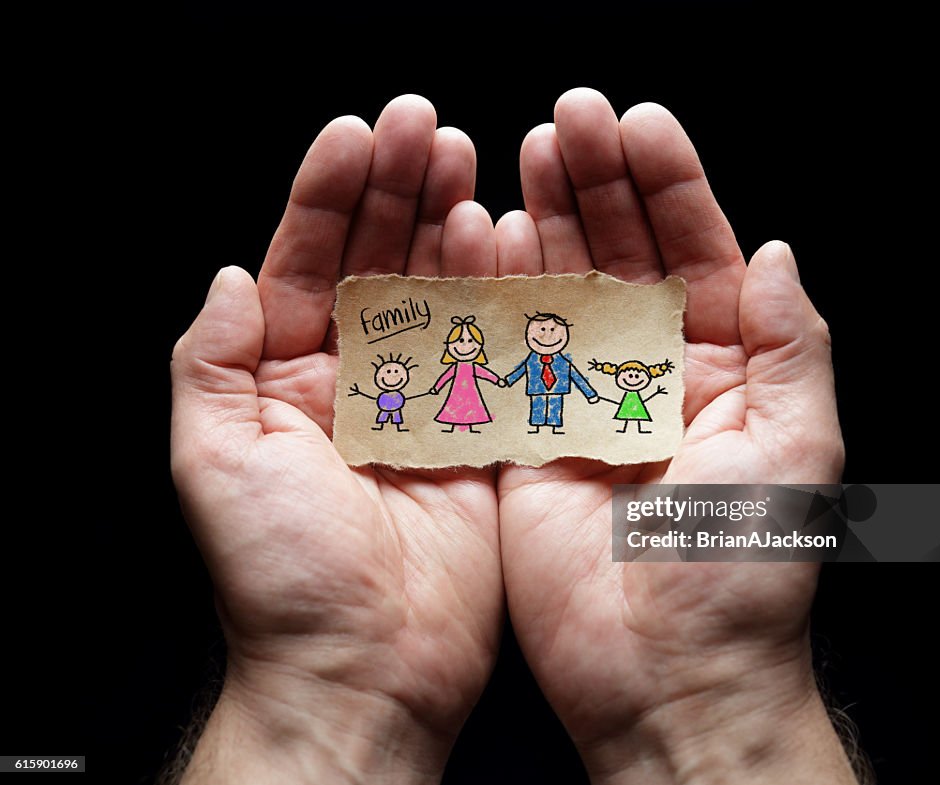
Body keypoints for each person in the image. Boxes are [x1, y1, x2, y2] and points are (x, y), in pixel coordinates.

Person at [170, 90, 861, 784]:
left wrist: (727, 686)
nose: (546, 332)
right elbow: (461, 383)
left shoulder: (556, 360)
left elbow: (581, 384)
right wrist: (319, 678)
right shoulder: (515, 358)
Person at [504, 312, 599, 434]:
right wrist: (508, 380)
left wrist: (590, 394)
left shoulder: (563, 362)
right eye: (542, 329)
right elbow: (521, 370)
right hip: (537, 388)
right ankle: (536, 427)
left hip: (557, 389)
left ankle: (555, 427)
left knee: (555, 408)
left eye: (553, 330)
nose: (547, 336)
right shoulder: (532, 359)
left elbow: (576, 376)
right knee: (537, 407)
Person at [430, 315, 504, 433]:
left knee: (471, 408)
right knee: (454, 407)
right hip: (457, 392)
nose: (465, 346)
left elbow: (485, 373)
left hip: (470, 393)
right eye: (460, 341)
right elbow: (445, 377)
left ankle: (470, 427)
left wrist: (496, 380)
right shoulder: (456, 367)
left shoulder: (472, 366)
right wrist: (436, 387)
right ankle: (453, 427)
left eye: (470, 341)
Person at [588, 357, 674, 433]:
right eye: (630, 375)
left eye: (637, 376)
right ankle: (624, 429)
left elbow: (642, 401)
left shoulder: (634, 397)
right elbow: (620, 403)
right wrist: (603, 398)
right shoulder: (628, 397)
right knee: (628, 417)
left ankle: (639, 429)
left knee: (637, 417)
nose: (633, 379)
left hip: (637, 406)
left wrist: (656, 393)